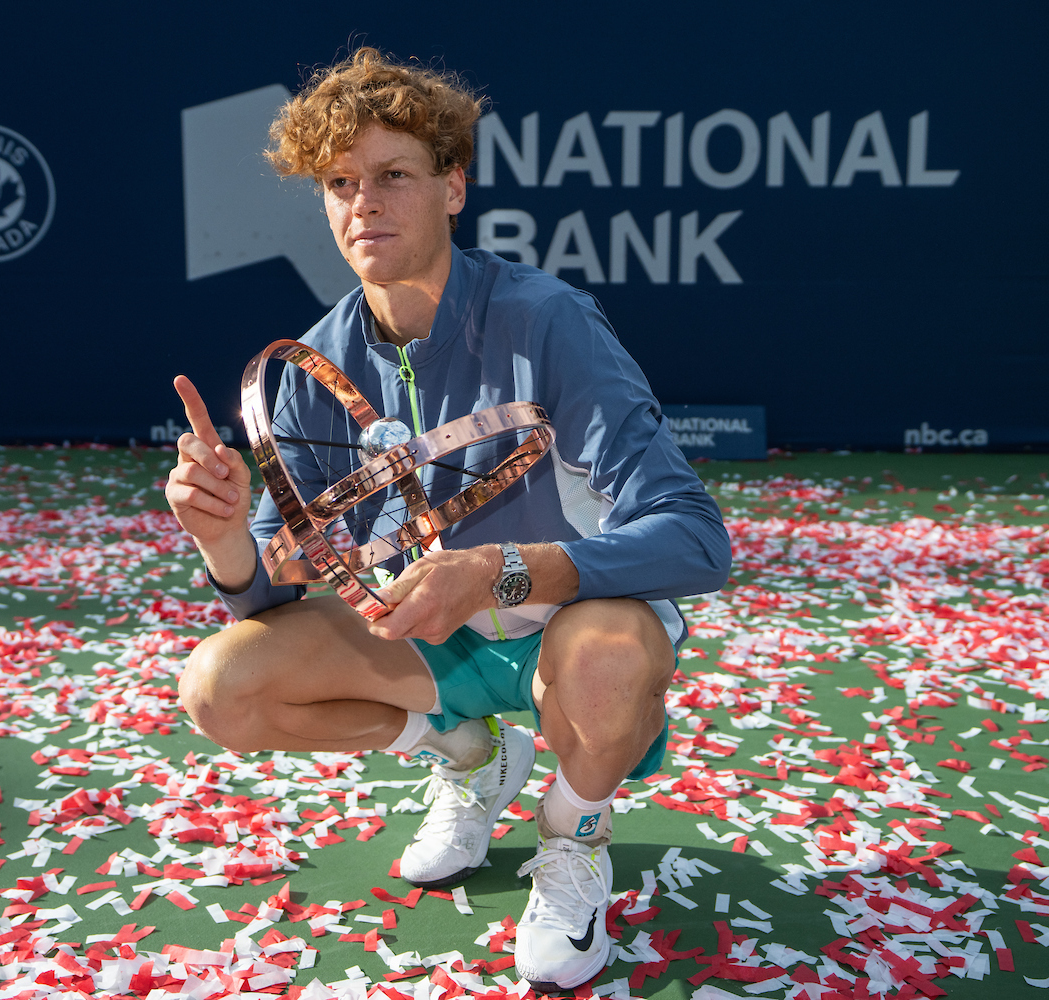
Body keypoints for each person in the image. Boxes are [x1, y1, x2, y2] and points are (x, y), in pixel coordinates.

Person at [166, 47, 731, 992]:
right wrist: (224, 541)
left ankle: (572, 838)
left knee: (609, 652)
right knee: (223, 685)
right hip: (430, 643)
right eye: (340, 184)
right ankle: (466, 755)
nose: (364, 205)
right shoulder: (312, 364)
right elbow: (272, 588)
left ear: (453, 185)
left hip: (570, 628)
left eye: (394, 176)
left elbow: (694, 537)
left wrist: (503, 570)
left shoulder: (550, 321)